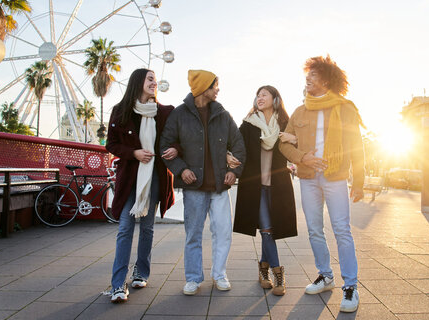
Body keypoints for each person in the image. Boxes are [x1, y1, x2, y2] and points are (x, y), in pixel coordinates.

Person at [279, 55, 365, 313]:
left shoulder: (345, 108)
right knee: (315, 229)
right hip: (307, 178)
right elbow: (284, 142)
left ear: (327, 80)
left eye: (314, 75)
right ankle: (325, 276)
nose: (308, 79)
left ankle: (350, 286)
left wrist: (359, 181)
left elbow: (356, 146)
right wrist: (302, 157)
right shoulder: (299, 111)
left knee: (342, 230)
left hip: (335, 177)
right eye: (308, 75)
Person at [160, 69, 245, 296]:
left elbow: (238, 144)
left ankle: (219, 275)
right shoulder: (178, 115)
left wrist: (234, 172)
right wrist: (181, 169)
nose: (218, 89)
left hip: (220, 187)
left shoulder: (223, 115)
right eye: (215, 85)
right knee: (193, 235)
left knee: (223, 232)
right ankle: (193, 278)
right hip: (194, 188)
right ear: (203, 87)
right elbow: (165, 147)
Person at [105, 68, 178, 303]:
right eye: (149, 79)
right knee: (125, 227)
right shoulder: (121, 112)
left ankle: (141, 272)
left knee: (147, 227)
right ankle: (118, 284)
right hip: (130, 179)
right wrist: (134, 152)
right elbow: (111, 144)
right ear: (138, 82)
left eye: (155, 79)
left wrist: (176, 149)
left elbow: (178, 139)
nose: (154, 83)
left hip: (155, 177)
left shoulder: (165, 113)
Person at [232, 85, 297, 296]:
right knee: (267, 228)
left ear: (275, 98)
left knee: (271, 228)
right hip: (255, 185)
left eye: (264, 95)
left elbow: (299, 142)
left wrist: (294, 139)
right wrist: (227, 157)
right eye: (257, 95)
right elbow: (235, 146)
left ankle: (262, 270)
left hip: (277, 183)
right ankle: (278, 273)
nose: (259, 98)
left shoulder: (285, 124)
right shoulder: (248, 124)